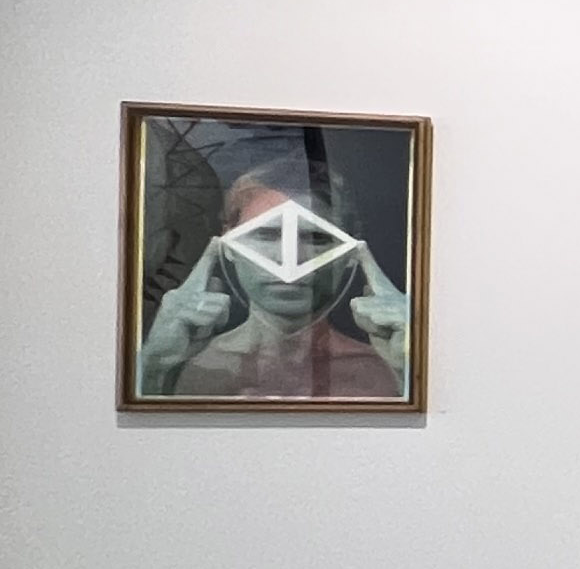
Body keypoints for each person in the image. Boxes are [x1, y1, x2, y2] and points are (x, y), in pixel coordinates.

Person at [137, 167, 411, 401]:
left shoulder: (391, 370)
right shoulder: (177, 367)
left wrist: (410, 370)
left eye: (317, 237)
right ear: (228, 245)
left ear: (351, 252)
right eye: (265, 235)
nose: (290, 258)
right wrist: (154, 366)